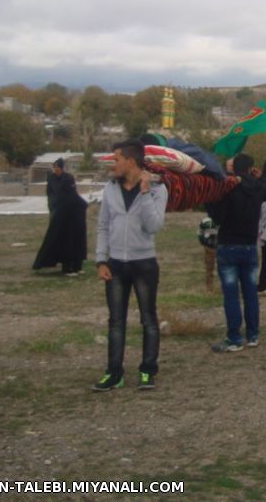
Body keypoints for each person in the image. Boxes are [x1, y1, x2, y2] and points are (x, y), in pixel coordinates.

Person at [94, 139, 167, 391]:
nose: (113, 164)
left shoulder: (157, 189)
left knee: (148, 318)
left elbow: (154, 226)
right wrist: (101, 260)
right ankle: (114, 372)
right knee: (116, 321)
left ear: (130, 161)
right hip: (115, 264)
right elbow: (103, 225)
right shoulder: (110, 189)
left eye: (116, 159)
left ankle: (148, 370)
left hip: (144, 263)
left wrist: (145, 193)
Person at [207, 154, 266, 351]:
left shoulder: (228, 187)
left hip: (229, 244)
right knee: (250, 293)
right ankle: (253, 335)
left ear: (233, 169)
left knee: (231, 295)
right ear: (251, 168)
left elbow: (216, 215)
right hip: (249, 245)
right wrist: (259, 178)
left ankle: (234, 338)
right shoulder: (257, 187)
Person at [32, 158, 88, 275]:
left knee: (75, 239)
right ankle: (64, 266)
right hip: (58, 212)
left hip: (71, 212)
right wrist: (53, 207)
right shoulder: (51, 178)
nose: (56, 169)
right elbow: (51, 193)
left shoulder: (68, 178)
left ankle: (76, 266)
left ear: (62, 168)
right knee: (60, 239)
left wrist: (82, 205)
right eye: (54, 167)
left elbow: (72, 194)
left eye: (57, 167)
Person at [197, 217, 218, 293]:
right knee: (222, 268)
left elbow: (199, 233)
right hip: (219, 246)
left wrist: (204, 243)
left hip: (210, 246)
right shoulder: (222, 218)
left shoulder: (204, 220)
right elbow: (200, 233)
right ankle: (211, 288)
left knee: (209, 269)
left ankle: (209, 289)